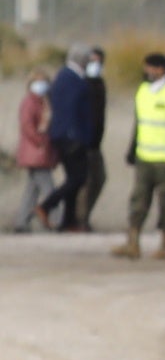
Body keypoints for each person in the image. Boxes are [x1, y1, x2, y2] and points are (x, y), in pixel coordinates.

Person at [118, 50, 165, 260]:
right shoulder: (142, 90)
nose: (147, 71)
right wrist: (132, 148)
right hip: (144, 157)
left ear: (161, 69)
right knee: (138, 201)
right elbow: (139, 122)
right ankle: (133, 243)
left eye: (151, 67)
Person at [48, 46, 106, 233]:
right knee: (78, 178)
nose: (93, 65)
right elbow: (71, 111)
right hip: (74, 138)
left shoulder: (90, 82)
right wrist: (75, 136)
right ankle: (50, 208)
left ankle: (69, 221)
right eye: (90, 60)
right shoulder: (72, 79)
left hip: (86, 138)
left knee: (80, 179)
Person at [13, 63, 54, 232]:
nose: (41, 84)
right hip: (35, 152)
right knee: (49, 189)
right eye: (38, 81)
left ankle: (21, 222)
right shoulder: (30, 102)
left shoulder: (41, 102)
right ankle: (57, 219)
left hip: (37, 152)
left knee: (32, 190)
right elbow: (27, 126)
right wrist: (41, 141)